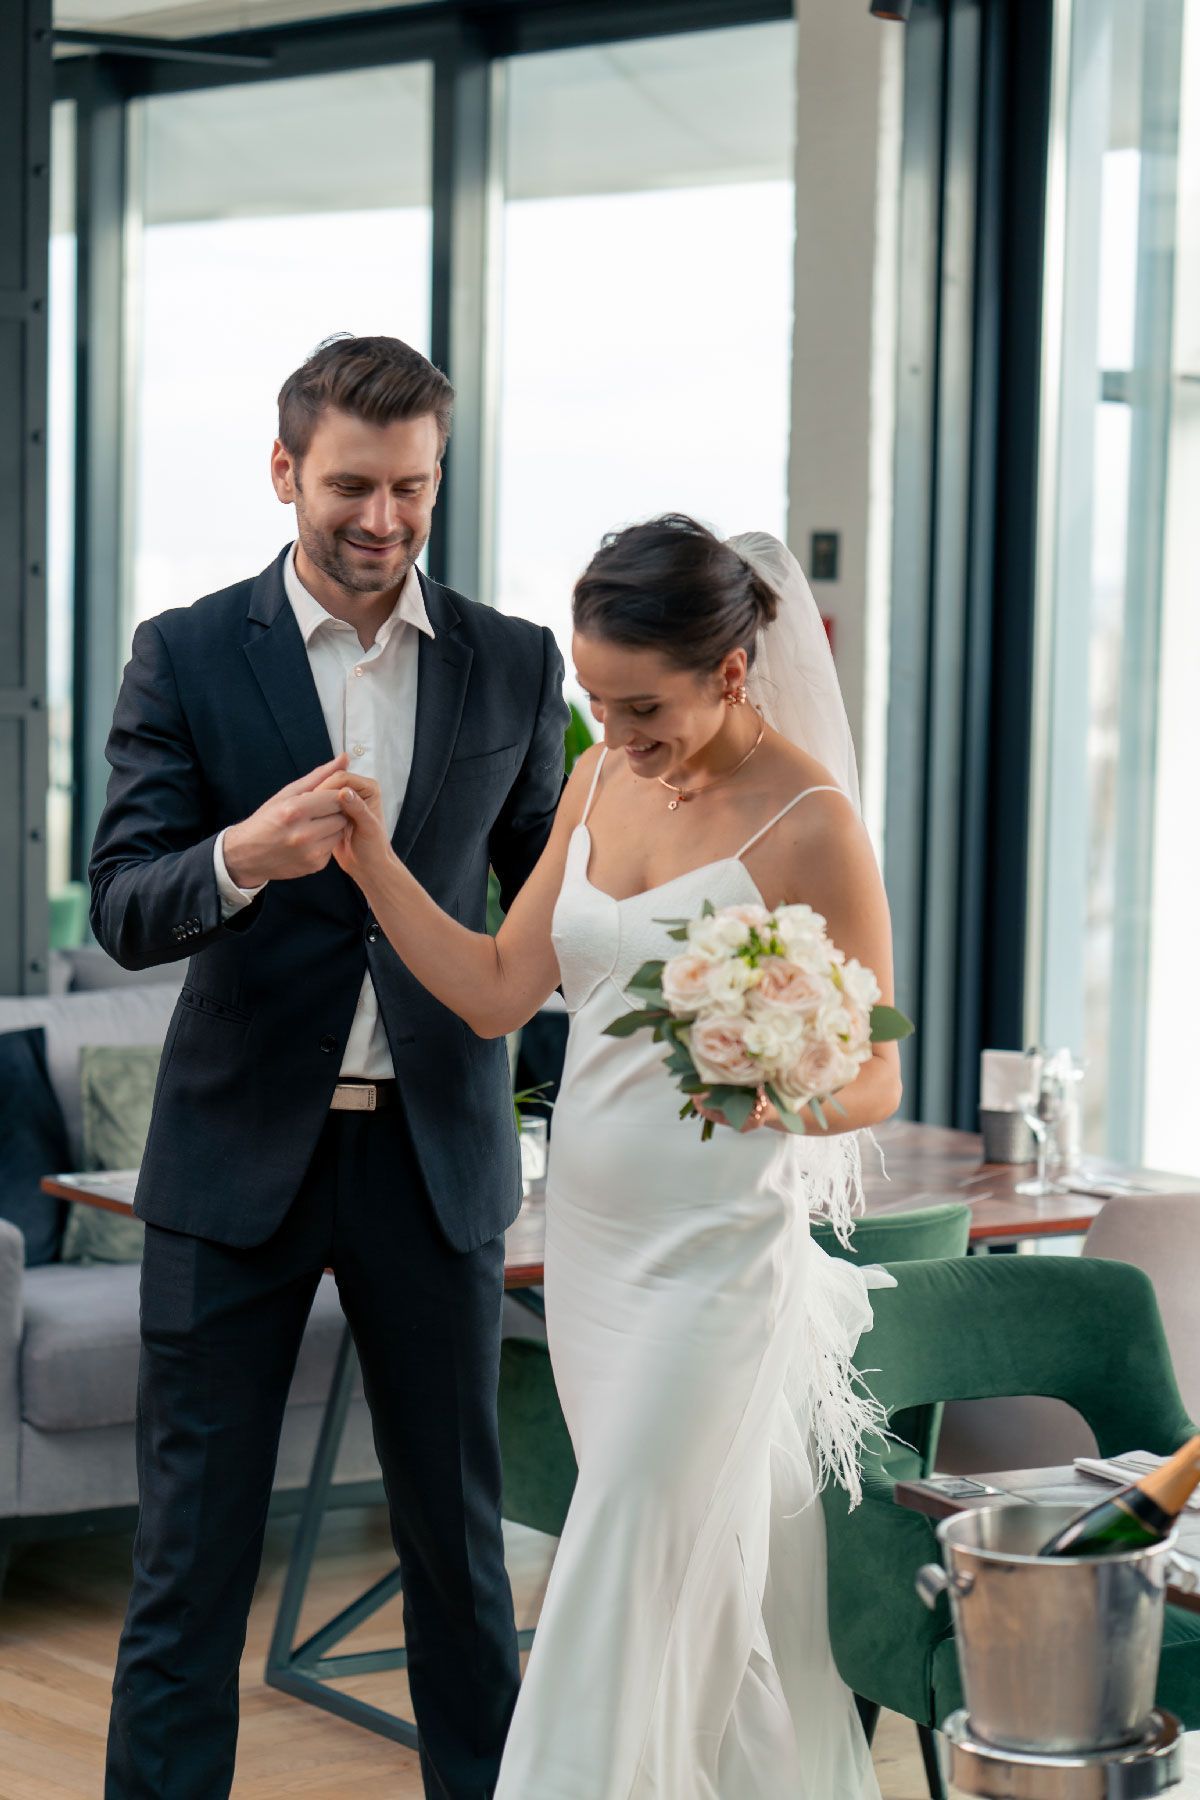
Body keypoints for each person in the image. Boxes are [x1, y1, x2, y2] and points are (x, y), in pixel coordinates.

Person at [328, 513, 902, 1797]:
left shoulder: (811, 822)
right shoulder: (599, 781)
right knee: (687, 1596)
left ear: (733, 674)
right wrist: (373, 869)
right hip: (594, 1249)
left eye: (642, 707)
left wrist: (788, 1099)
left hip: (716, 1263)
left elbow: (878, 1070)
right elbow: (492, 989)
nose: (615, 733)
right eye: (595, 701)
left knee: (611, 1570)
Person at [90, 333, 569, 1800]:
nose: (382, 519)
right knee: (188, 1568)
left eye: (412, 488)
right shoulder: (184, 649)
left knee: (460, 1561)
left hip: (438, 1167)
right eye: (351, 485)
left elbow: (552, 911)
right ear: (285, 469)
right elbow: (120, 904)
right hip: (234, 1168)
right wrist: (241, 856)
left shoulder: (515, 660)